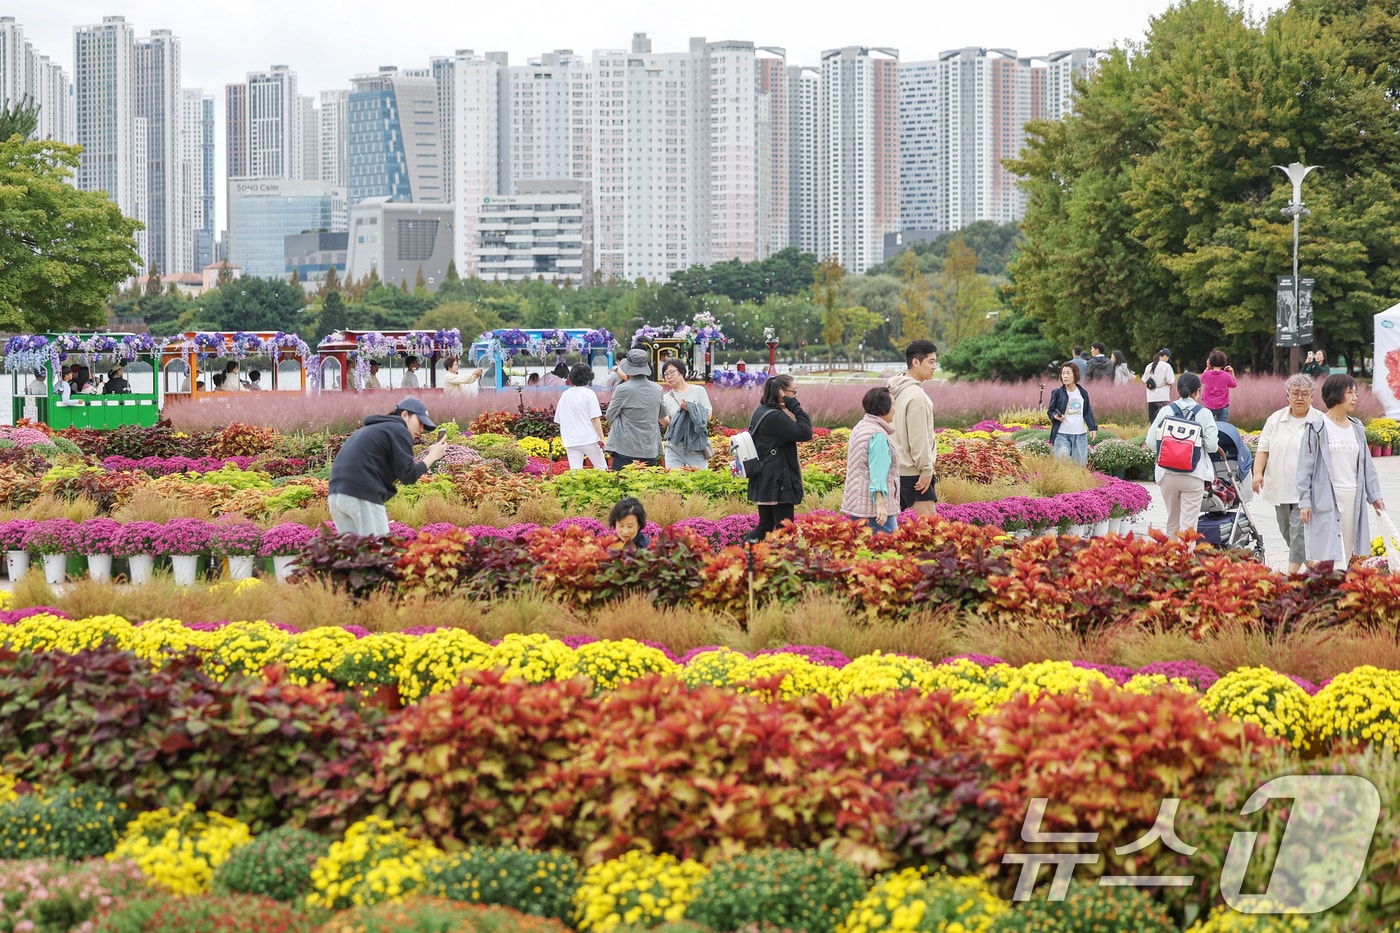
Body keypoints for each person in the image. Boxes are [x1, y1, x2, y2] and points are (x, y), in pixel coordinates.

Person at [1296, 373, 1386, 568]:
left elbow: (1367, 466)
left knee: (1345, 549)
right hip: (1325, 498)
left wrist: (1375, 495)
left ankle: (1334, 591)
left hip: (1353, 497)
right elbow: (1305, 468)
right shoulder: (1317, 427)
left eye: (1355, 393)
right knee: (1329, 554)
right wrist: (1305, 501)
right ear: (1336, 395)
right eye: (1350, 393)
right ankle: (1326, 591)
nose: (1355, 397)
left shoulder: (1357, 428)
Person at [328, 397, 448, 536]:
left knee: (355, 554)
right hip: (362, 495)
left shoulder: (373, 429)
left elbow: (396, 468)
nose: (421, 429)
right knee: (379, 552)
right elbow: (409, 475)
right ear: (404, 415)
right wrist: (433, 456)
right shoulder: (399, 430)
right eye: (420, 422)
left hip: (337, 496)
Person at [1252, 374, 1321, 573]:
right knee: (1286, 531)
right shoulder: (1276, 419)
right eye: (1295, 394)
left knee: (1299, 532)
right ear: (1287, 396)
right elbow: (1263, 449)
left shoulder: (1319, 421)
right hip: (1280, 487)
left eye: (1305, 394)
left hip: (1306, 490)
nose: (1300, 398)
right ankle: (1315, 569)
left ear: (1312, 397)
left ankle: (1290, 578)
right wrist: (1258, 473)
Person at [1145, 372, 1219, 539]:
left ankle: (1171, 561)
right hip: (1193, 475)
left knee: (1172, 521)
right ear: (1198, 391)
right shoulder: (1204, 413)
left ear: (1177, 390)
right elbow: (1212, 447)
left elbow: (1150, 441)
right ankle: (1185, 561)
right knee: (1188, 528)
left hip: (1167, 474)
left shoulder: (1165, 411)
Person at [743, 373, 813, 541]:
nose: (795, 396)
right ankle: (779, 562)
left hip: (765, 479)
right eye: (793, 392)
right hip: (778, 482)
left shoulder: (761, 411)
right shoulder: (775, 416)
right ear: (782, 392)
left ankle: (743, 556)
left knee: (765, 526)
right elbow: (805, 432)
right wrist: (794, 406)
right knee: (785, 529)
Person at [889, 339, 939, 516]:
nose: (935, 366)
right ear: (916, 362)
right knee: (932, 529)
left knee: (891, 528)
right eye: (931, 361)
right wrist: (926, 470)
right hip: (913, 473)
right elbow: (919, 439)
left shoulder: (894, 390)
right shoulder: (917, 397)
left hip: (894, 468)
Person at [841, 386, 900, 533]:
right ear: (883, 409)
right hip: (874, 511)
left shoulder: (861, 427)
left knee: (863, 550)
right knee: (887, 550)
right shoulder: (877, 435)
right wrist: (880, 504)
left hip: (858, 505)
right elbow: (878, 473)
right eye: (893, 405)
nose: (895, 409)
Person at [603, 349, 663, 469]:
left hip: (625, 448)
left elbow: (609, 416)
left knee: (623, 485)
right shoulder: (658, 389)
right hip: (649, 448)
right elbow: (661, 414)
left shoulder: (623, 389)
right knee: (648, 485)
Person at [659, 359, 713, 469]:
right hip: (674, 446)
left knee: (702, 479)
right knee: (675, 481)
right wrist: (658, 410)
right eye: (665, 375)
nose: (669, 376)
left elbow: (707, 417)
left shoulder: (698, 391)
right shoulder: (666, 398)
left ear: (682, 372)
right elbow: (667, 423)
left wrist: (690, 409)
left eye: (671, 372)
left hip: (696, 445)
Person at [554, 362, 608, 471]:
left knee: (576, 472)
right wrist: (602, 438)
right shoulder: (589, 394)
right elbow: (595, 418)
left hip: (571, 440)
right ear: (588, 377)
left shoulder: (565, 395)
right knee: (602, 468)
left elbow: (559, 419)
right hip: (589, 439)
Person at [1047, 361, 1098, 466]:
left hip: (1079, 435)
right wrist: (1055, 416)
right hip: (1061, 435)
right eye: (1063, 373)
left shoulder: (1083, 393)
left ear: (1075, 375)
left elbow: (1087, 411)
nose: (1065, 376)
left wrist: (1092, 427)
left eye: (1068, 373)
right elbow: (1050, 411)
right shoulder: (1057, 393)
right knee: (1063, 464)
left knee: (1079, 467)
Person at [1200, 350, 1237, 423]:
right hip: (1223, 405)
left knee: (1207, 425)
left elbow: (1201, 379)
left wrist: (1207, 368)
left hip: (1209, 405)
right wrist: (1232, 372)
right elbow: (1234, 384)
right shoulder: (1226, 375)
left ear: (1210, 362)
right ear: (1224, 362)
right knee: (1222, 427)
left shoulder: (1207, 375)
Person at [1143, 348, 1175, 422]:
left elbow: (1145, 380)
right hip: (1163, 396)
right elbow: (1170, 381)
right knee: (1163, 420)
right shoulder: (1166, 366)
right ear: (1166, 356)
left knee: (1153, 420)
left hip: (1151, 397)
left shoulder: (1149, 366)